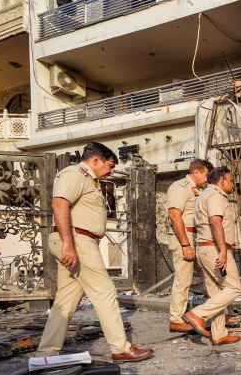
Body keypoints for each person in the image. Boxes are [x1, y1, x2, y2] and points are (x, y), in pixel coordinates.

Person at [37, 142, 154, 362]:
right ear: (95, 160)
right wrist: (69, 244)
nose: (110, 171)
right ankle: (121, 348)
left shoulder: (89, 179)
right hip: (76, 239)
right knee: (105, 292)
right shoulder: (74, 174)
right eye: (109, 165)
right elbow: (59, 205)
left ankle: (46, 352)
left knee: (66, 298)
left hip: (78, 239)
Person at [182, 166, 241, 346]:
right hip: (214, 249)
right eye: (230, 180)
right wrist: (223, 251)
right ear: (222, 181)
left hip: (204, 248)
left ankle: (219, 334)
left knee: (216, 291)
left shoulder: (203, 195)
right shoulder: (216, 195)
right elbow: (215, 222)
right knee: (234, 288)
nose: (232, 184)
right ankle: (197, 314)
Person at [166, 159, 211, 333]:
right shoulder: (179, 187)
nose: (207, 178)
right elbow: (175, 216)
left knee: (210, 276)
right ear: (197, 172)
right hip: (184, 237)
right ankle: (176, 319)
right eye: (206, 174)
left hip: (198, 236)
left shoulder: (200, 190)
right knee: (183, 280)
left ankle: (218, 314)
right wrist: (185, 244)